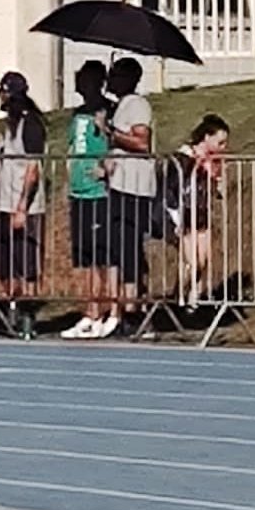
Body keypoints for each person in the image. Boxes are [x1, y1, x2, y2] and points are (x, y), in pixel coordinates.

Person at [0, 72, 46, 339]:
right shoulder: (8, 126)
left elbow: (33, 169)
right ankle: (10, 311)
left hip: (25, 208)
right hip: (3, 203)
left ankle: (28, 317)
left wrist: (22, 207)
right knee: (4, 262)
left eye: (1, 91)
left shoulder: (31, 124)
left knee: (28, 265)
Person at [102, 57, 155, 336]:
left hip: (134, 188)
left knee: (129, 249)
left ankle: (135, 312)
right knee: (120, 249)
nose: (109, 79)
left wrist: (110, 132)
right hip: (119, 184)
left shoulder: (137, 104)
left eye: (115, 75)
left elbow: (141, 142)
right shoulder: (121, 106)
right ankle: (128, 308)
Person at [61, 61, 115, 340]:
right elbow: (73, 145)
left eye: (87, 80)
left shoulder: (107, 110)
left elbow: (116, 146)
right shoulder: (77, 114)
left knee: (99, 254)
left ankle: (101, 310)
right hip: (78, 189)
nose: (82, 85)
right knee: (82, 255)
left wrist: (105, 168)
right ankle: (87, 310)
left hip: (98, 192)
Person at [166, 114, 231, 307]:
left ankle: (192, 299)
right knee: (192, 262)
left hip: (201, 212)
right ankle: (180, 298)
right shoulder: (183, 157)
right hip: (184, 214)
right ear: (206, 137)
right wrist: (174, 216)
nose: (223, 147)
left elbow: (217, 190)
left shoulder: (213, 162)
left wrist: (218, 183)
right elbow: (172, 188)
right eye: (220, 142)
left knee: (203, 260)